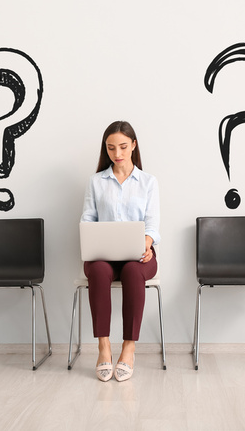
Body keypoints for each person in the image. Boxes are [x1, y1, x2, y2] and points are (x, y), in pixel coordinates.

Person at [80, 120, 160, 382]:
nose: (118, 153)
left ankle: (129, 347)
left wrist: (147, 243)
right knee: (100, 270)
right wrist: (90, 238)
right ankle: (104, 346)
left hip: (139, 256)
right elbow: (87, 220)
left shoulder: (148, 182)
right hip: (102, 255)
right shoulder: (96, 182)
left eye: (124, 147)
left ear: (134, 145)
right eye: (111, 148)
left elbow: (152, 224)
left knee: (133, 270)